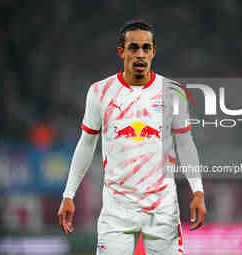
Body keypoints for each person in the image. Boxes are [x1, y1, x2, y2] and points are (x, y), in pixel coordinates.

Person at [58, 20, 206, 255]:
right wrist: (69, 194)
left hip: (162, 209)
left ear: (154, 52)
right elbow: (86, 144)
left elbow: (186, 144)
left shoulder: (173, 93)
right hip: (117, 211)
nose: (140, 54)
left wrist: (197, 190)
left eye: (146, 48)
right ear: (121, 51)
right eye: (134, 47)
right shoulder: (100, 92)